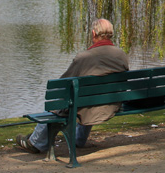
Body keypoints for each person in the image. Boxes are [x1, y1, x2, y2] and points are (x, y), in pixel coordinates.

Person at [15, 18, 129, 154]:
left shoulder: (84, 58)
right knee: (87, 97)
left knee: (61, 102)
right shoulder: (121, 55)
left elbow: (63, 84)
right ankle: (79, 139)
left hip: (86, 107)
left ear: (93, 34)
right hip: (110, 105)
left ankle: (36, 142)